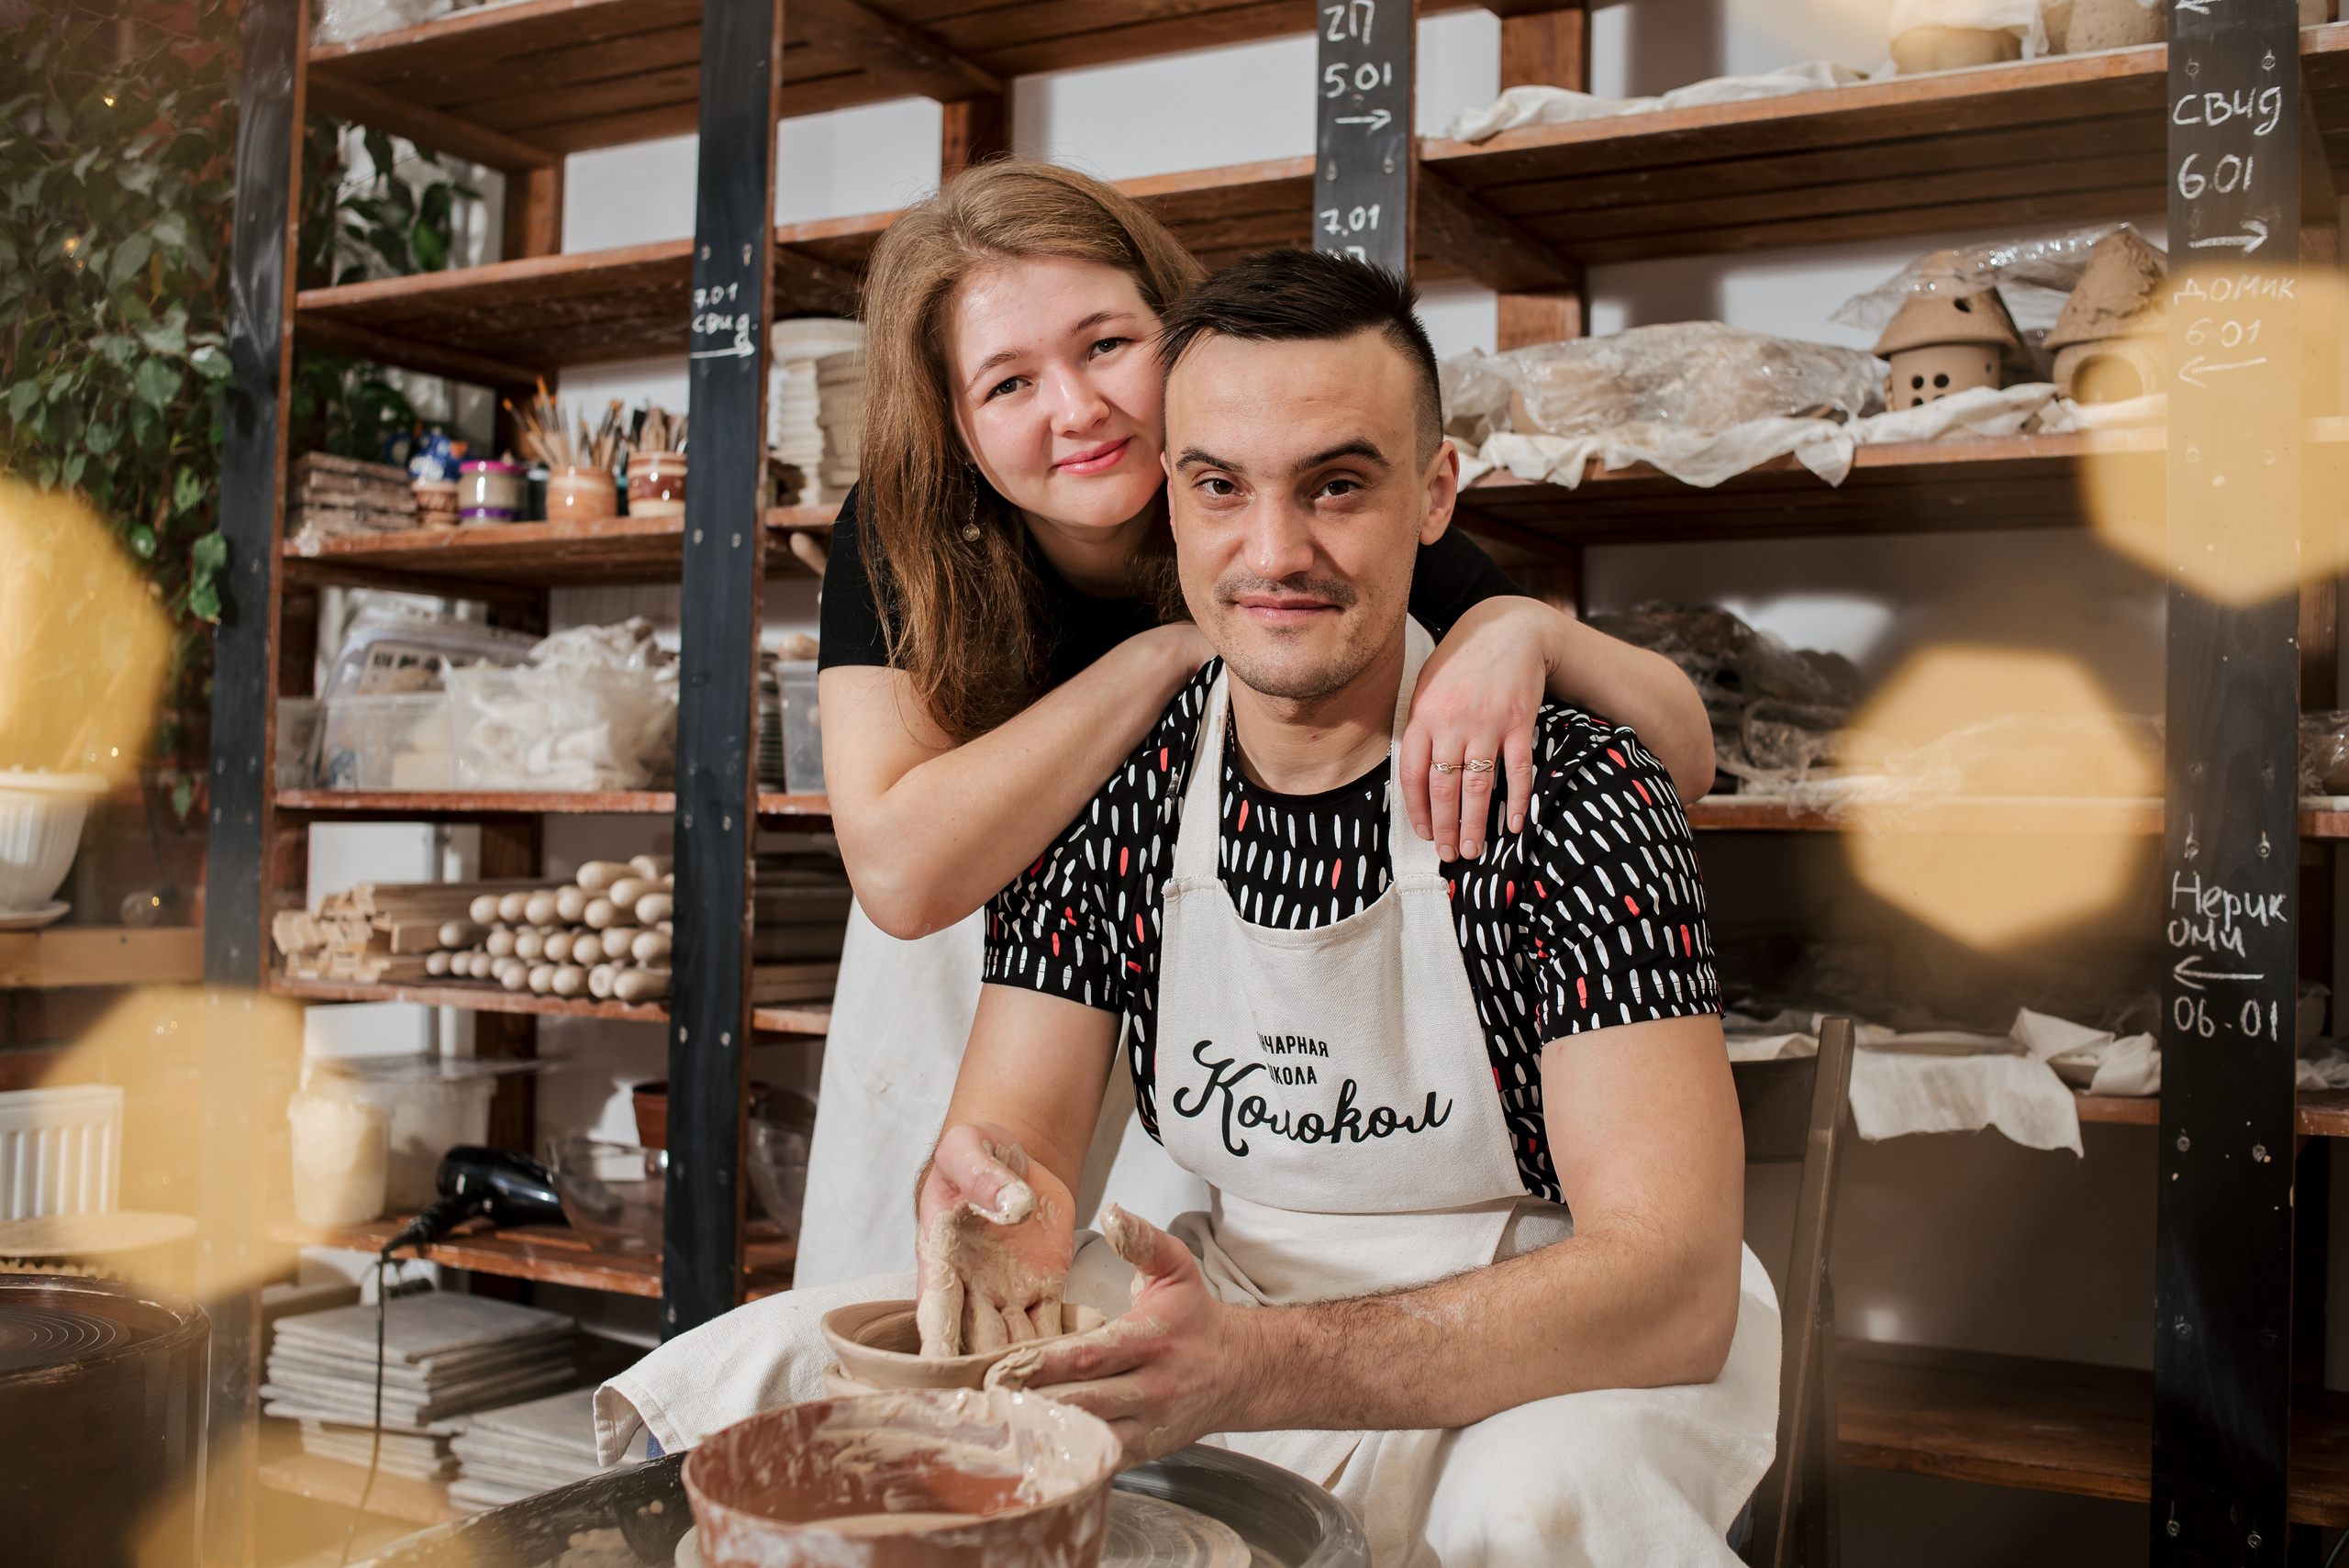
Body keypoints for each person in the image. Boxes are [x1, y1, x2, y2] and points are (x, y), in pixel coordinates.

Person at [600, 251, 1774, 1567]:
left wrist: (1262, 1369)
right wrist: (997, 1206)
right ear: (1169, 498)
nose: (1276, 553)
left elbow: (1667, 1287)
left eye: (1338, 484)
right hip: (1230, 1297)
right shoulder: (1115, 789)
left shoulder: (1571, 784)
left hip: (1548, 1323)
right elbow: (1020, 1153)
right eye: (1220, 486)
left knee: (1536, 1509)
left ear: (1434, 495)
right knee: (761, 1372)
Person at [800, 161, 1716, 1288]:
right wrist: (1173, 651)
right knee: (917, 1292)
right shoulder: (904, 530)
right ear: (955, 422)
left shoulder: (1313, 495)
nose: (1077, 410)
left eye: (1104, 346)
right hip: (988, 949)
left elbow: (1681, 756)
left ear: (1175, 334)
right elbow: (899, 875)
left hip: (1220, 986)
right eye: (1007, 384)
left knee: (1200, 1276)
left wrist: (1529, 630)